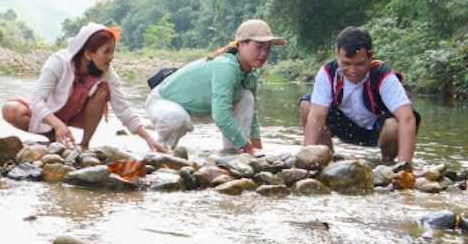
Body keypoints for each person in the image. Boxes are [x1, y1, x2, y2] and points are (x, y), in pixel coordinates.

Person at [2, 23, 167, 152]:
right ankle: (54, 136)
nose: (112, 57)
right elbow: (37, 101)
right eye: (107, 51)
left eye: (113, 51)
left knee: (102, 91)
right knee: (10, 109)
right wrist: (58, 125)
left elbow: (123, 110)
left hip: (76, 115)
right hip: (51, 115)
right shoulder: (58, 62)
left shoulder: (107, 73)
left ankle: (84, 145)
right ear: (88, 54)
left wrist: (149, 139)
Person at [144, 19, 285, 153]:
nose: (264, 53)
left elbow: (251, 116)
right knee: (176, 120)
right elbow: (221, 115)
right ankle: (161, 149)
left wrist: (259, 152)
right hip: (164, 102)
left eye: (268, 48)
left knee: (247, 98)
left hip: (203, 108)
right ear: (241, 44)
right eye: (259, 47)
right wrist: (249, 148)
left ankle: (233, 152)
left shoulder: (251, 74)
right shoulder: (226, 66)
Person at [299, 26, 419, 165]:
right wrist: (306, 160)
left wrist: (405, 165)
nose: (353, 71)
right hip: (344, 126)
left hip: (378, 131)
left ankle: (387, 164)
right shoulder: (328, 73)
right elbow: (317, 117)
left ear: (370, 55)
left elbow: (407, 118)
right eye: (346, 63)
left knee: (395, 124)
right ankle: (326, 160)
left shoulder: (384, 76)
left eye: (360, 64)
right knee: (307, 105)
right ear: (337, 54)